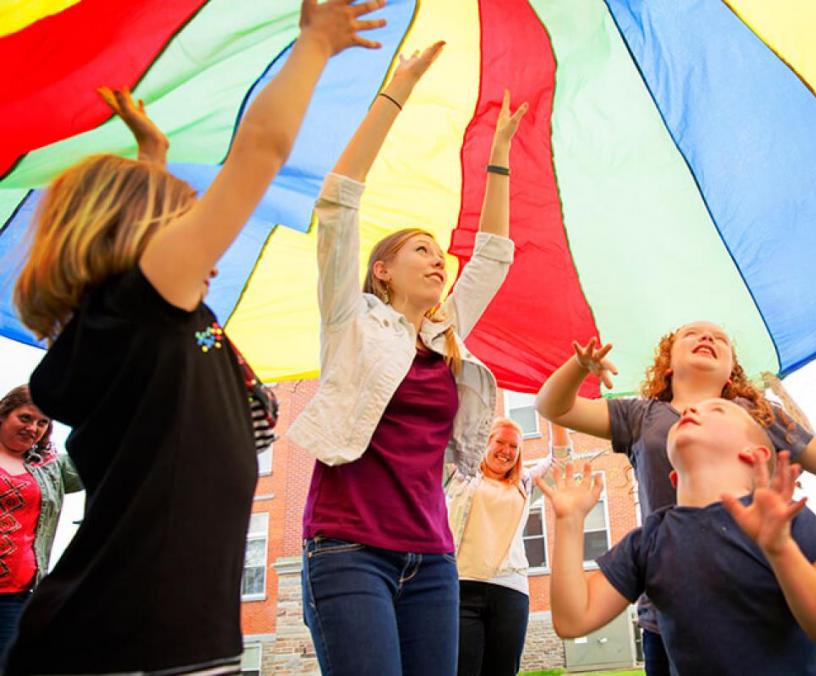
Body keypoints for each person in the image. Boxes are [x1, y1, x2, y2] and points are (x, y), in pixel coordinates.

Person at [5, 2, 385, 672]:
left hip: (168, 632)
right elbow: (259, 153)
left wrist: (153, 157)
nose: (209, 243)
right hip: (129, 639)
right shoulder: (140, 309)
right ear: (137, 240)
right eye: (181, 222)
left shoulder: (151, 328)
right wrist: (314, 45)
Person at [286, 38, 529, 675]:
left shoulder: (448, 334)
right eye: (421, 249)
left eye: (438, 253)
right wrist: (398, 91)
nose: (437, 259)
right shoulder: (351, 322)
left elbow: (493, 256)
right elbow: (338, 201)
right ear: (383, 270)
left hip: (433, 557)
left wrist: (498, 157)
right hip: (348, 548)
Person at [535, 321, 816, 674]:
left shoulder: (759, 422)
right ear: (668, 362)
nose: (707, 337)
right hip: (668, 610)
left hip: (766, 584)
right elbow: (554, 407)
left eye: (720, 338)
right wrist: (578, 367)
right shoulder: (642, 415)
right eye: (691, 334)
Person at [537, 399, 816, 675]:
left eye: (717, 409)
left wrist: (780, 550)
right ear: (673, 476)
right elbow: (573, 620)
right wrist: (569, 521)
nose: (691, 409)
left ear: (754, 453)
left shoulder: (784, 518)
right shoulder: (650, 541)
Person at [445, 419, 568, 676]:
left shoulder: (524, 484)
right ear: (485, 443)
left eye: (513, 446)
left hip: (509, 591)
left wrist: (559, 415)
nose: (506, 450)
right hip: (461, 586)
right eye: (500, 442)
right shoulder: (457, 474)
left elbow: (560, 461)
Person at [0, 386, 82, 657]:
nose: (33, 428)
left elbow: (99, 462)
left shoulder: (51, 467)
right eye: (25, 418)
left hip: (16, 595)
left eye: (42, 422)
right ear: (3, 415)